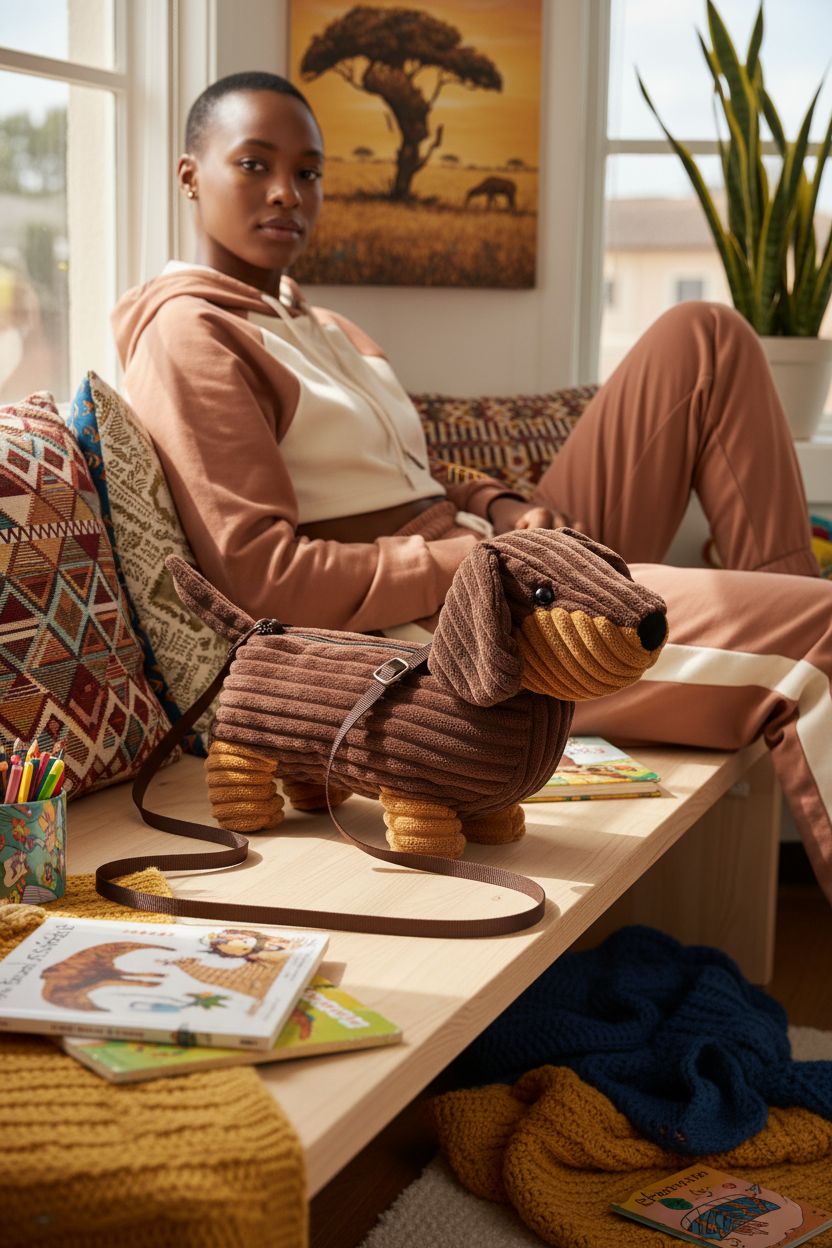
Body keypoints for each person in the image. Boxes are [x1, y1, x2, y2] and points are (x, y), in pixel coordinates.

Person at [112, 71, 832, 904]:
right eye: (254, 164)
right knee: (819, 636)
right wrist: (477, 560)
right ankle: (789, 630)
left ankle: (775, 595)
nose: (286, 193)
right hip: (443, 630)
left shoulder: (325, 326)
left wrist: (501, 505)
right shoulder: (191, 334)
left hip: (490, 554)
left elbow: (416, 466)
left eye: (308, 172)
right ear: (190, 175)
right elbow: (264, 577)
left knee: (702, 335)